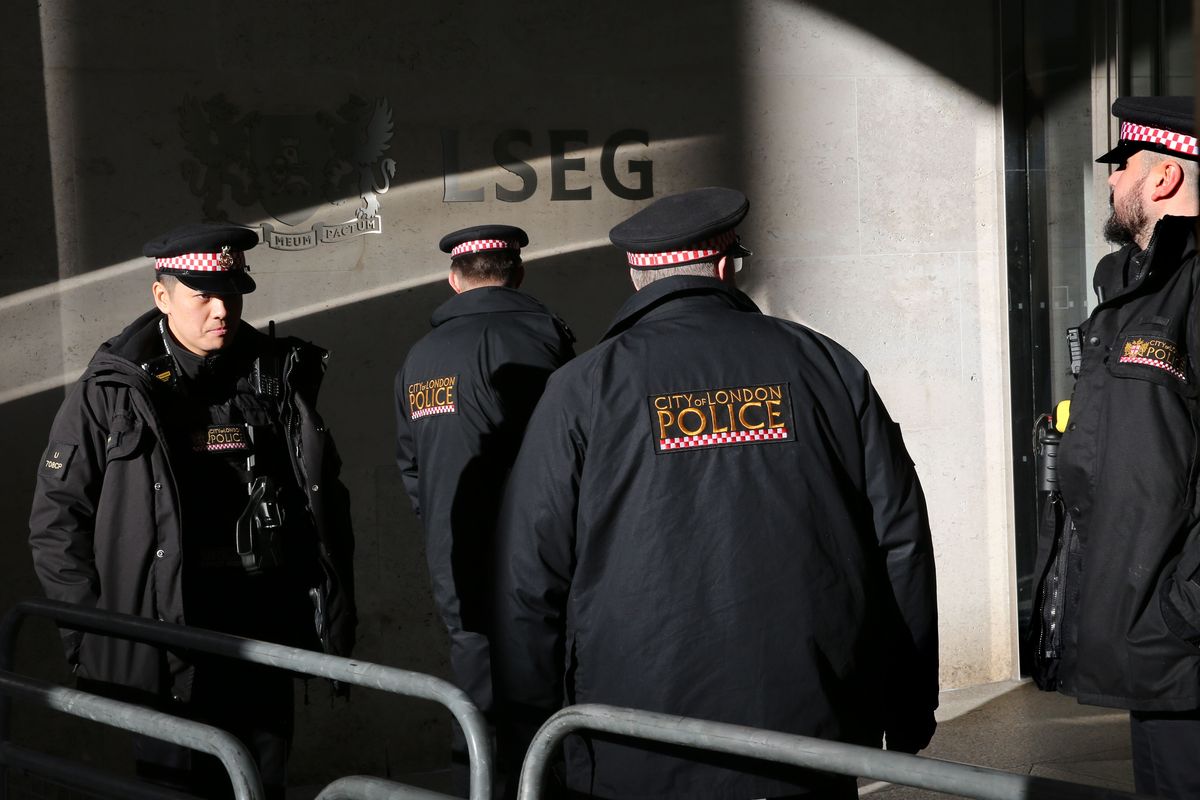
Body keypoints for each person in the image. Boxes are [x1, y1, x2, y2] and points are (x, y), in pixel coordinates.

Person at [491, 187, 939, 799]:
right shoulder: (825, 365)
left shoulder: (582, 389)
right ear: (727, 265)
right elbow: (900, 541)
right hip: (808, 732)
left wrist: (532, 739)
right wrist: (908, 705)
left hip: (638, 739)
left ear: (636, 273)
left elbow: (528, 576)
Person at [28, 223, 356, 799]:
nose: (221, 310)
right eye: (202, 294)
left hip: (261, 624)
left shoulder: (274, 377)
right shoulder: (111, 391)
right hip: (166, 636)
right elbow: (57, 523)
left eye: (231, 293)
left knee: (260, 781)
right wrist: (96, 637)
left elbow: (322, 496)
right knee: (177, 786)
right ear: (162, 295)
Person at [1031, 96, 1200, 798]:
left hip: (1179, 631)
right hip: (1152, 639)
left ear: (1161, 179)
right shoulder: (1130, 293)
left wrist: (1183, 607)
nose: (1109, 181)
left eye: (1121, 166)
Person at [394, 224, 575, 781]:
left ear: (454, 280)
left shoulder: (419, 359)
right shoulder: (547, 342)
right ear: (517, 274)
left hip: (456, 562)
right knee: (548, 710)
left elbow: (413, 471)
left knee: (473, 706)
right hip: (545, 559)